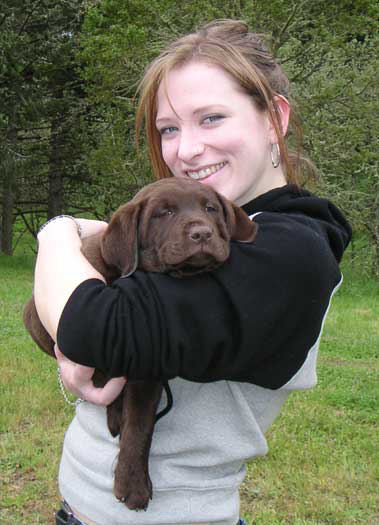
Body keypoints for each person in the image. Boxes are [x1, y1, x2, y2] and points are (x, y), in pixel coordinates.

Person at [34, 19, 352, 525]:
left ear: (274, 118)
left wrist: (55, 235)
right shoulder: (201, 221)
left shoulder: (293, 249)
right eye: (169, 129)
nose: (186, 150)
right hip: (79, 504)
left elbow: (94, 328)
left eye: (211, 119)